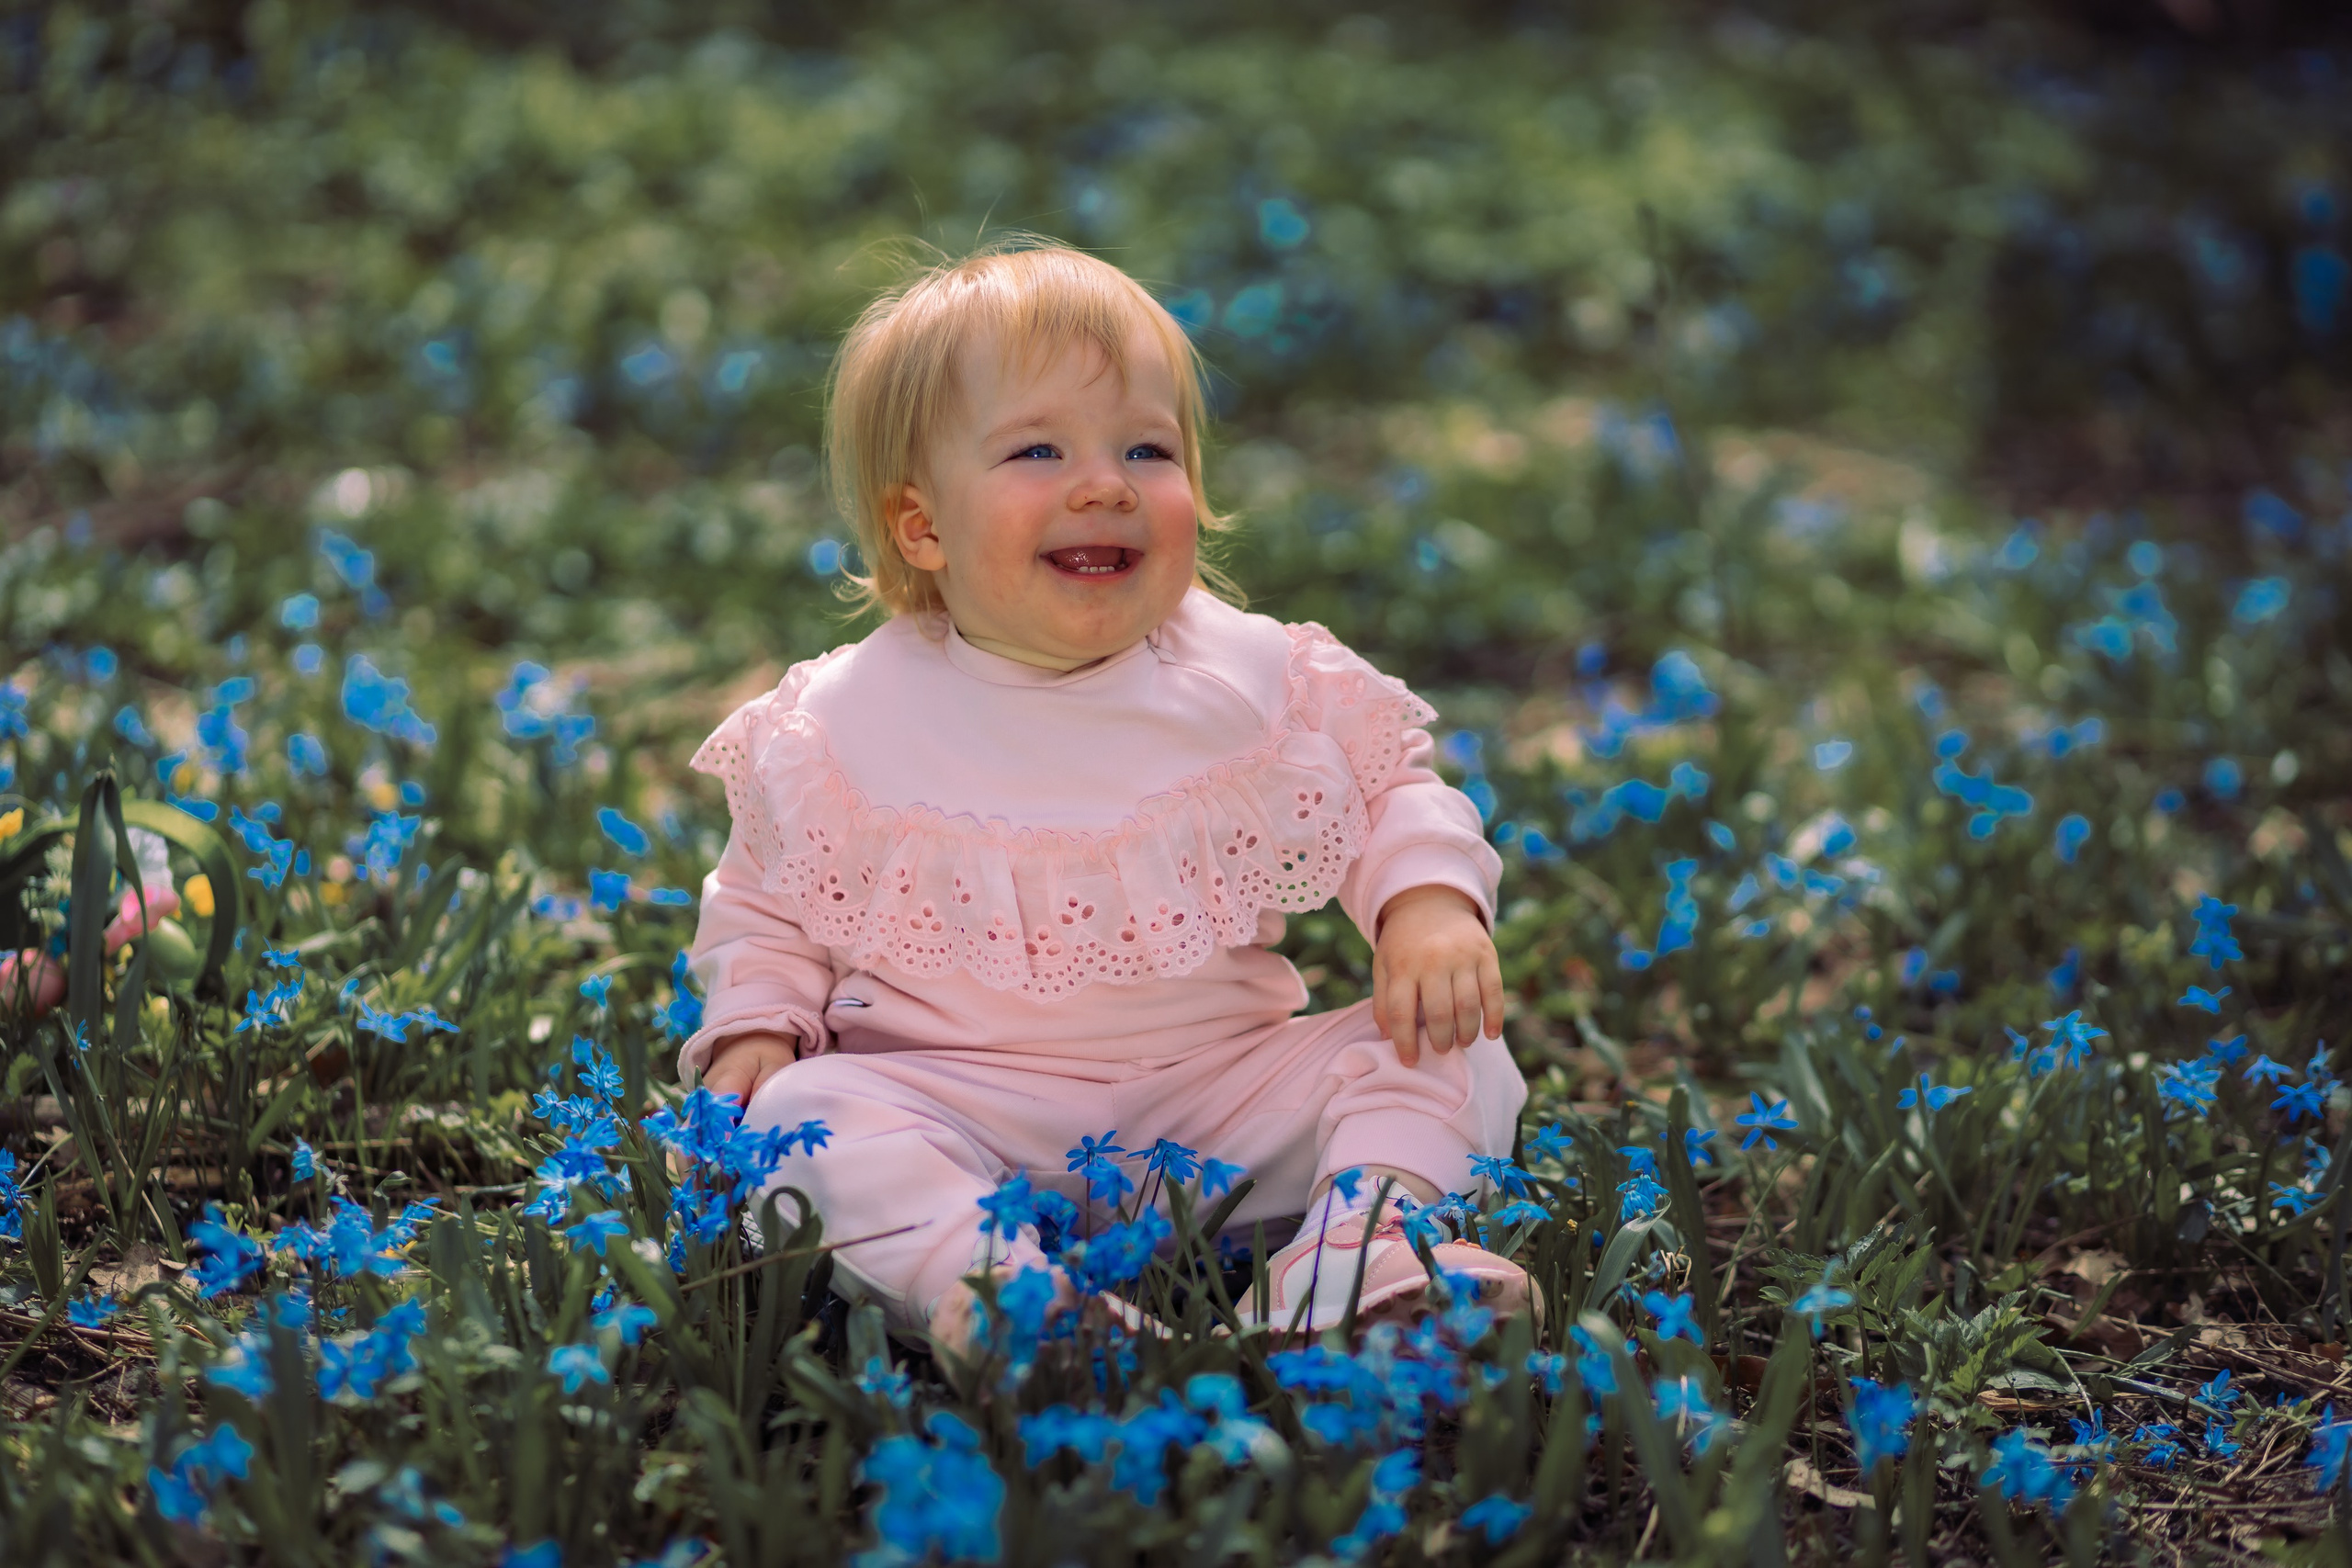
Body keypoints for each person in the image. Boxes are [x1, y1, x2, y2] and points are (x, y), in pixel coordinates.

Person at [681, 239, 1532, 1353]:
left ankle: (1358, 1258)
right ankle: (1000, 1298)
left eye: (1147, 447)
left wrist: (1424, 900)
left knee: (1446, 1052)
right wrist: (759, 1023)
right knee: (808, 1121)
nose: (1104, 483)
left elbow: (1387, 792)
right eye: (1038, 449)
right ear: (921, 526)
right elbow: (767, 902)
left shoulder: (1250, 677)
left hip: (1216, 1104)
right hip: (958, 1104)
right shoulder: (844, 721)